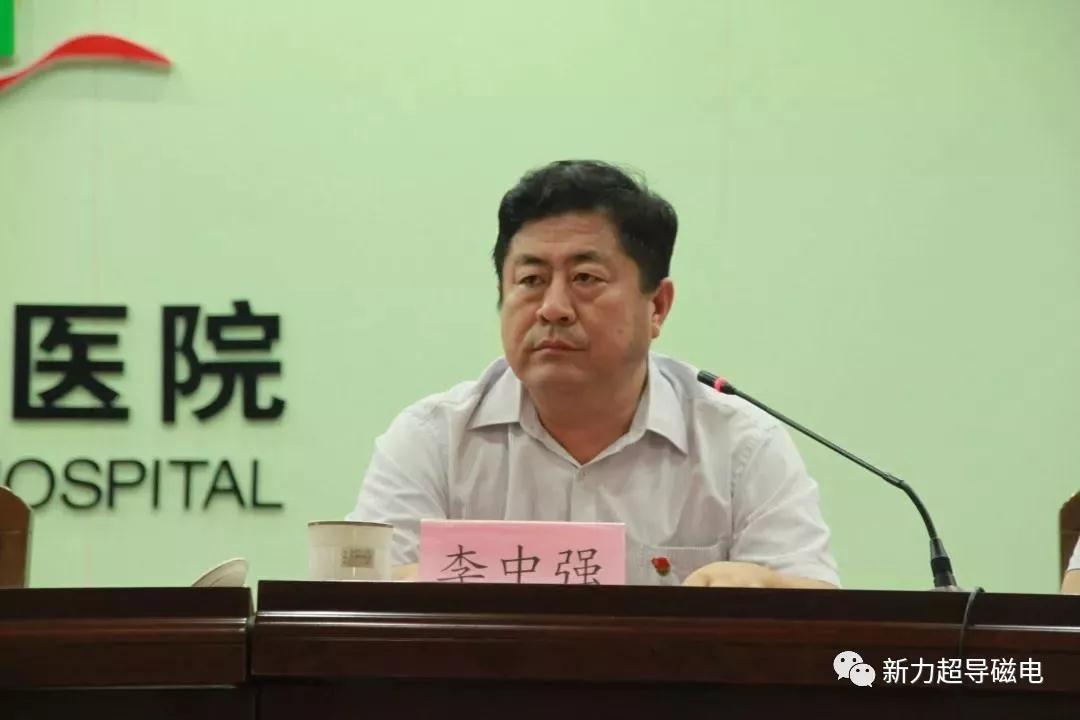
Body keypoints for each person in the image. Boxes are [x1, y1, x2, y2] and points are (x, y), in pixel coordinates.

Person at [348, 160, 839, 588]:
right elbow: (359, 604)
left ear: (657, 306)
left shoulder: (740, 448)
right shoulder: (433, 442)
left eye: (585, 278)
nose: (553, 308)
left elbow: (818, 616)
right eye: (531, 280)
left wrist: (766, 586)